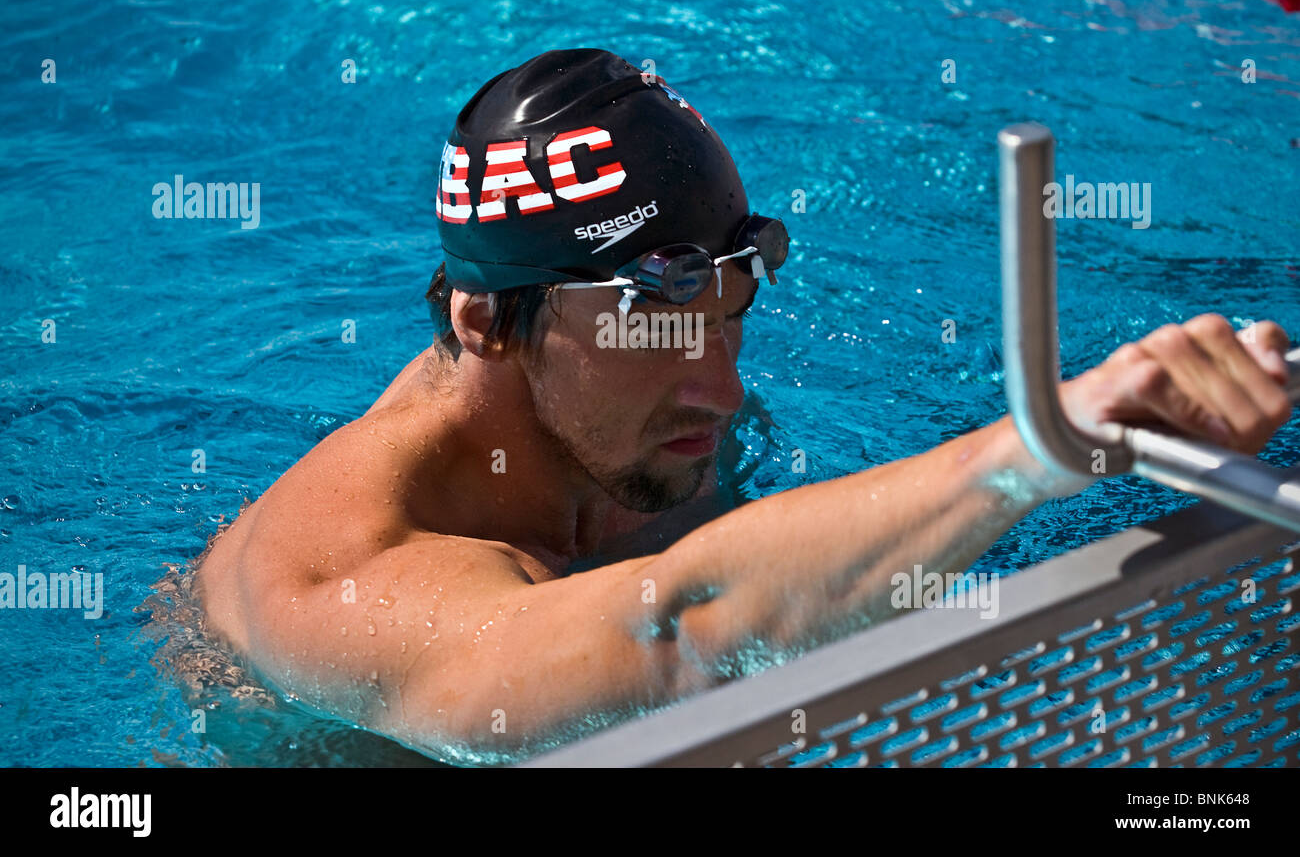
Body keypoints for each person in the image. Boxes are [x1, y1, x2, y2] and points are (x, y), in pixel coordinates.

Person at [194, 47, 1294, 765]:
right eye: (661, 330)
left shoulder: (623, 406)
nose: (720, 391)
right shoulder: (337, 573)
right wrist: (1031, 449)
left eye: (729, 318)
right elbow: (676, 632)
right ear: (488, 323)